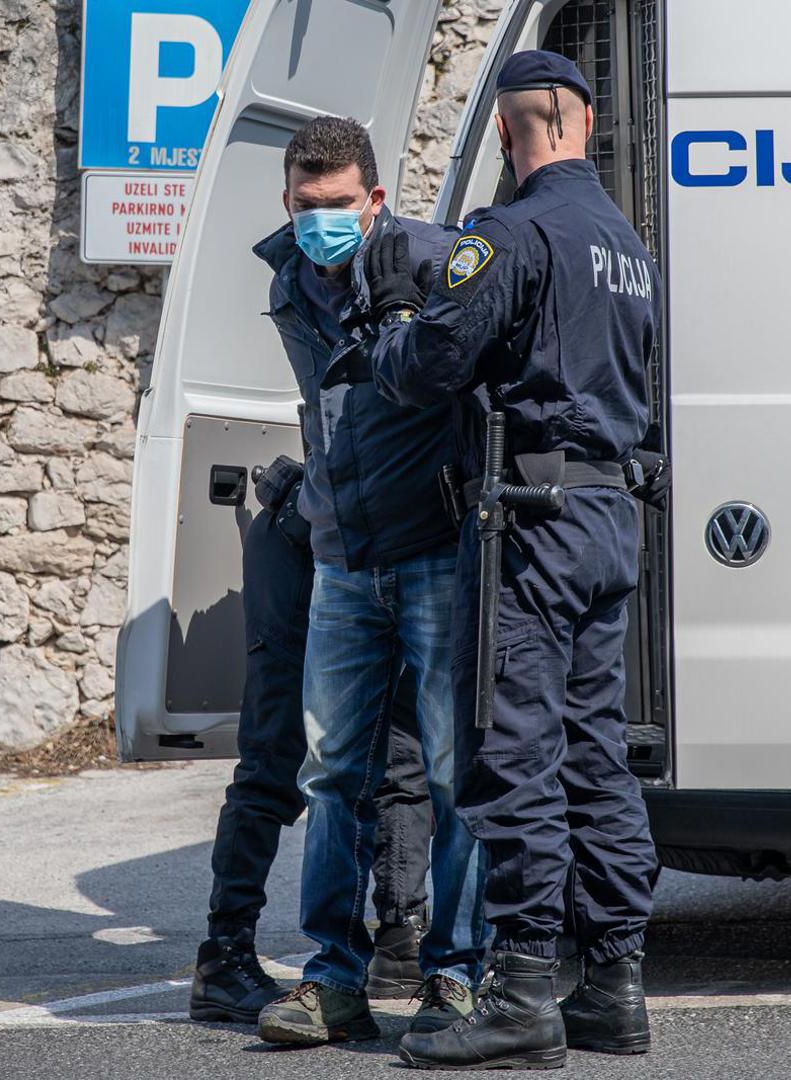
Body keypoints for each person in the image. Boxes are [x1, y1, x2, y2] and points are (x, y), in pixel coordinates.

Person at [359, 50, 662, 1071]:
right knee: (595, 753)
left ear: (506, 130)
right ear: (580, 120)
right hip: (608, 516)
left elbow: (433, 363)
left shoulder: (512, 233)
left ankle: (525, 987)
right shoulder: (623, 241)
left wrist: (394, 325)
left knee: (516, 749)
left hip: (531, 519)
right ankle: (613, 984)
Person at [251, 115, 489, 1048]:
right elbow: (324, 415)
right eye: (308, 207)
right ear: (288, 202)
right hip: (344, 561)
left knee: (447, 771)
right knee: (332, 774)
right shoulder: (288, 277)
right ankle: (332, 980)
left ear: (376, 198)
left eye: (340, 205)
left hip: (433, 549)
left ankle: (456, 975)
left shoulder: (433, 263)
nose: (322, 222)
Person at [187, 459, 434, 1024]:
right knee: (275, 760)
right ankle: (223, 958)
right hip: (307, 546)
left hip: (382, 547)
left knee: (401, 753)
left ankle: (399, 933)